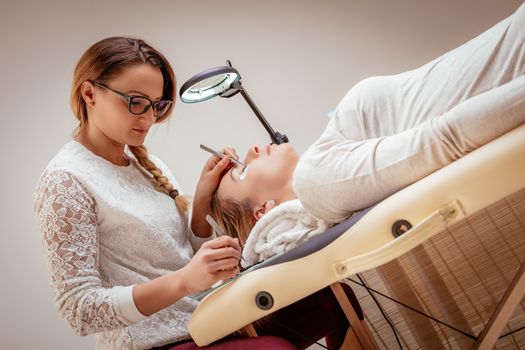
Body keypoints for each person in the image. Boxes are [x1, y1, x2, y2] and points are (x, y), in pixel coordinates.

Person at [33, 36, 360, 350]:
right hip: (157, 343)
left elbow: (180, 254)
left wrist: (202, 200)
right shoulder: (66, 182)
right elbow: (79, 310)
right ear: (89, 94)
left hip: (209, 322)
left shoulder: (143, 162)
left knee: (332, 302)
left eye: (157, 105)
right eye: (135, 102)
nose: (149, 119)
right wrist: (186, 281)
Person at [210, 2, 525, 264]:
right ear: (264, 212)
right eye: (241, 172)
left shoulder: (327, 170)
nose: (251, 149)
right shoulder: (315, 184)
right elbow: (446, 139)